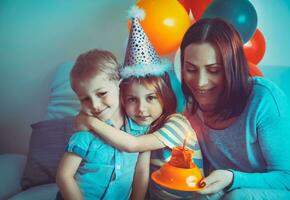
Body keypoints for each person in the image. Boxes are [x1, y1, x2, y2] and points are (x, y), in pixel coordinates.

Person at [75, 9, 204, 200]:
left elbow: (133, 145)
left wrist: (90, 122)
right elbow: (140, 172)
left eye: (151, 98)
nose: (141, 109)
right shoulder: (140, 128)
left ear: (164, 96)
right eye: (132, 99)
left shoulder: (178, 123)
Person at [180, 17, 290, 199]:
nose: (200, 83)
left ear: (232, 68)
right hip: (231, 187)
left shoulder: (265, 99)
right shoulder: (191, 110)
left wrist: (232, 178)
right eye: (191, 69)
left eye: (213, 70)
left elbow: (288, 180)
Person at [55, 49, 149, 200]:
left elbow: (142, 171)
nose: (95, 105)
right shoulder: (85, 132)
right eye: (85, 99)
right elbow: (64, 176)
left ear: (120, 85)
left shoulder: (140, 127)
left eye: (101, 93)